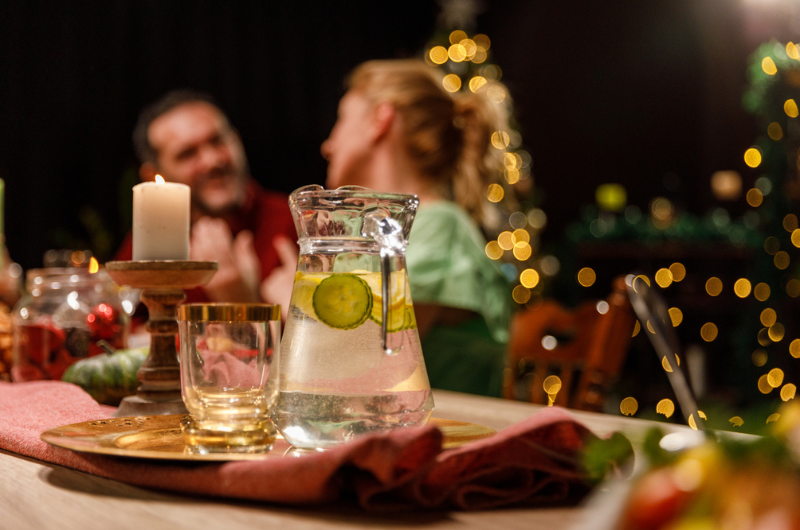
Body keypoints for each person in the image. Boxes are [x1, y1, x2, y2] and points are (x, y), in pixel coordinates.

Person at [318, 59, 513, 397]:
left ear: (380, 120)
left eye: (342, 119)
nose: (328, 145)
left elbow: (368, 357)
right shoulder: (374, 234)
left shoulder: (440, 226)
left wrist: (287, 298)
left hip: (451, 426)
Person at [116, 90, 297, 306]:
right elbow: (120, 315)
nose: (212, 161)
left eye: (218, 141)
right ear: (153, 175)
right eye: (187, 153)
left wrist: (244, 304)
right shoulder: (150, 244)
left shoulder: (296, 223)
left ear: (237, 140)